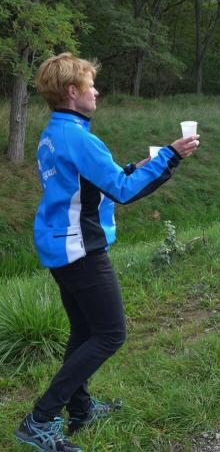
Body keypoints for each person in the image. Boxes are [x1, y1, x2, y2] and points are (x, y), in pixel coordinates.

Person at [14, 53, 200, 452]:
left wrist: (137, 166)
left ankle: (81, 409)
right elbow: (124, 191)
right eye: (90, 84)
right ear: (72, 91)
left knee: (85, 332)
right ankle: (40, 419)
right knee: (111, 333)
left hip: (59, 244)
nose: (96, 91)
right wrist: (169, 157)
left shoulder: (54, 133)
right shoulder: (79, 138)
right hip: (80, 249)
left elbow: (92, 183)